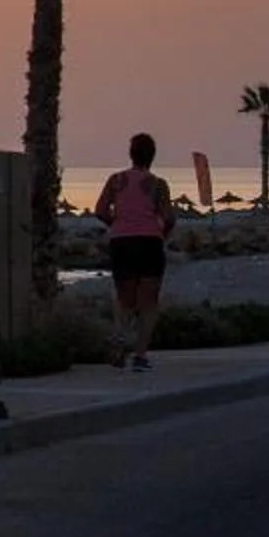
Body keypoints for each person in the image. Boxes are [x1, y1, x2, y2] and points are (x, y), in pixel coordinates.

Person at [92, 133, 178, 370]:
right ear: (152, 156)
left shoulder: (115, 180)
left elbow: (99, 210)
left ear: (131, 154)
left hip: (121, 242)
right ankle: (140, 355)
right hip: (150, 242)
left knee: (124, 297)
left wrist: (116, 224)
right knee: (148, 301)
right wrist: (164, 233)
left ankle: (119, 337)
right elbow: (168, 217)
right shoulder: (158, 184)